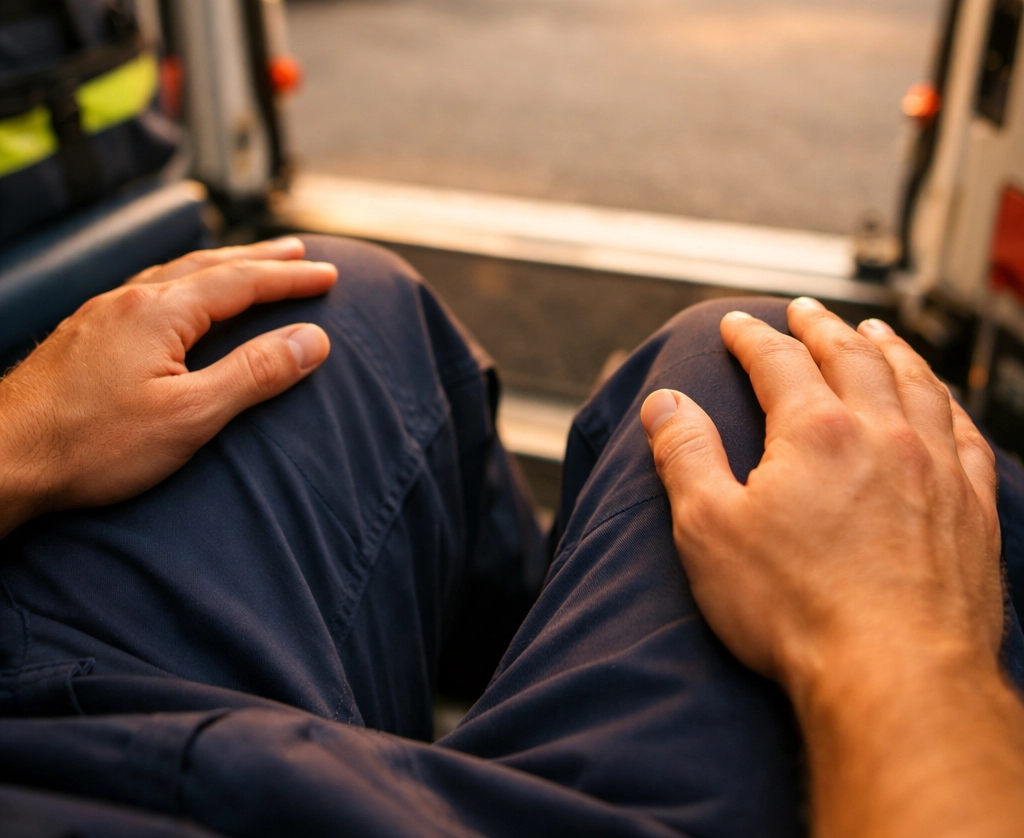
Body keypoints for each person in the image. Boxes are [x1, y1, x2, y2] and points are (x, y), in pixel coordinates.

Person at [0, 233, 1022, 837]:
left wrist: (22, 438)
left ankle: (529, 651)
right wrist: (894, 630)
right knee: (751, 388)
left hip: (58, 747)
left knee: (316, 301)